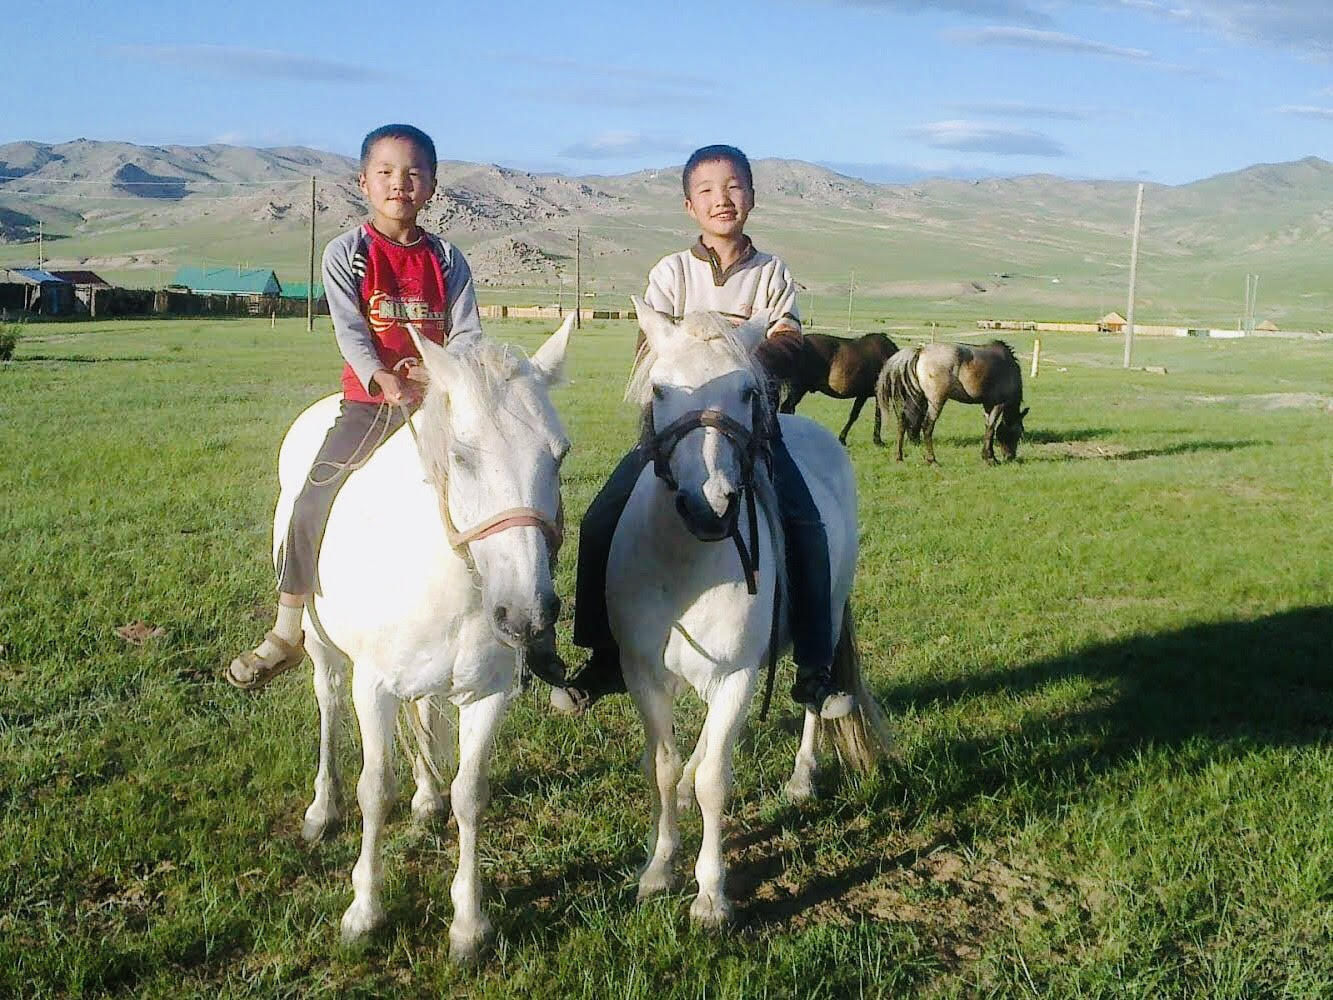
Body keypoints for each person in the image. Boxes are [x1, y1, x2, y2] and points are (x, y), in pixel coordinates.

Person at [550, 144, 853, 720]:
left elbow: (789, 340)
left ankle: (815, 667)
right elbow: (650, 349)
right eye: (708, 190)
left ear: (752, 197)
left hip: (753, 431)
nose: (722, 199)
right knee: (601, 518)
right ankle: (605, 654)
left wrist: (741, 362)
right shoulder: (671, 273)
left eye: (734, 187)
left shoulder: (771, 274)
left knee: (806, 523)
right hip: (676, 433)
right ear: (689, 205)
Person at [226, 123, 483, 689]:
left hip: (441, 407)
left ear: (432, 185)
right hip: (372, 407)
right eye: (386, 172)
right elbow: (350, 328)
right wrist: (379, 375)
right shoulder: (349, 253)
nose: (400, 183)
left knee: (513, 495)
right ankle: (287, 628)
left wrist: (439, 372)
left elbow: (467, 333)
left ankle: (530, 636)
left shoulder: (447, 258)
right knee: (312, 495)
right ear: (363, 182)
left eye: (414, 173)